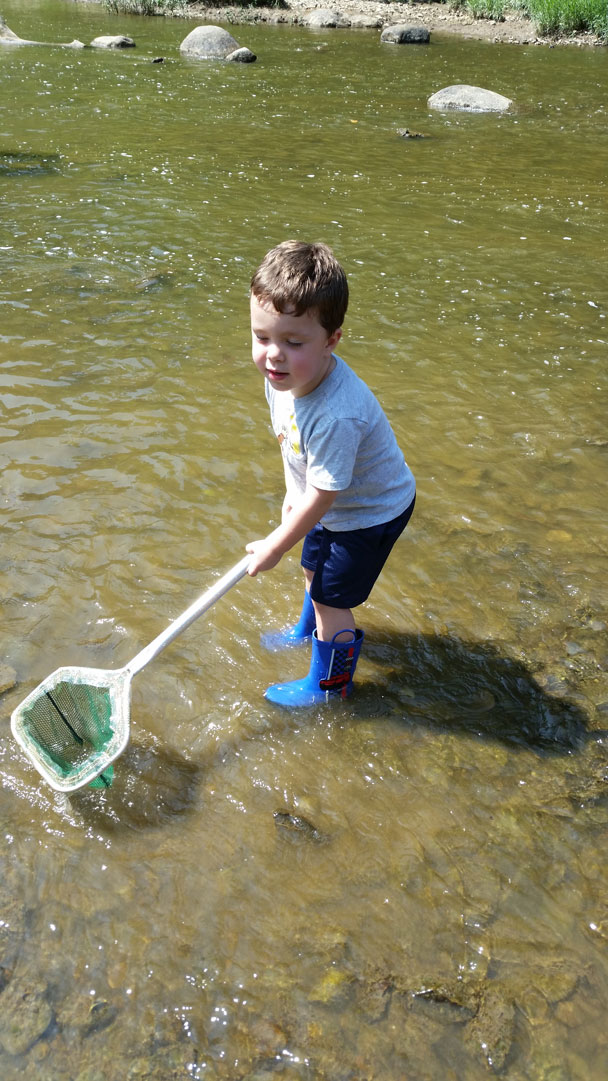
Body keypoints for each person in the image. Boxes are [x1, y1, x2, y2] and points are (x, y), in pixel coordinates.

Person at [245, 240, 416, 707]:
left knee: (332, 600)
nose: (274, 355)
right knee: (311, 567)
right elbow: (290, 443)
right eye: (262, 337)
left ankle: (330, 686)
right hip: (330, 500)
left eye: (293, 342)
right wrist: (291, 491)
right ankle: (309, 629)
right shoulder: (282, 380)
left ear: (331, 340)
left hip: (368, 514)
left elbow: (325, 493)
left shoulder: (338, 414)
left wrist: (276, 544)